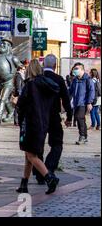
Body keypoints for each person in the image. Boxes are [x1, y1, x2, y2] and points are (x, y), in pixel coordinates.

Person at [16, 59, 60, 195]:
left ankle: (49, 178)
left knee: (31, 155)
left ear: (30, 70)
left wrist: (15, 103)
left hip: (30, 123)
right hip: (43, 123)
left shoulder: (30, 85)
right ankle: (24, 183)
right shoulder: (47, 86)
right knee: (29, 154)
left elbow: (21, 105)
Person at [32, 54, 73, 185]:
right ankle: (49, 167)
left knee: (38, 145)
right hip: (54, 116)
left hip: (39, 116)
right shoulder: (59, 79)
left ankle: (40, 173)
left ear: (43, 65)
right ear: (55, 66)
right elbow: (66, 99)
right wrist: (69, 117)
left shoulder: (37, 79)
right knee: (57, 144)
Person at [69, 63, 95, 145]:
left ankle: (82, 136)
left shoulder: (87, 79)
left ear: (82, 70)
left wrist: (89, 102)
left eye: (76, 69)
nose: (74, 70)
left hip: (83, 103)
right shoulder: (75, 80)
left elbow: (91, 91)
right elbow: (70, 90)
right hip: (76, 103)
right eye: (74, 68)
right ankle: (85, 137)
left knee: (79, 118)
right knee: (81, 119)